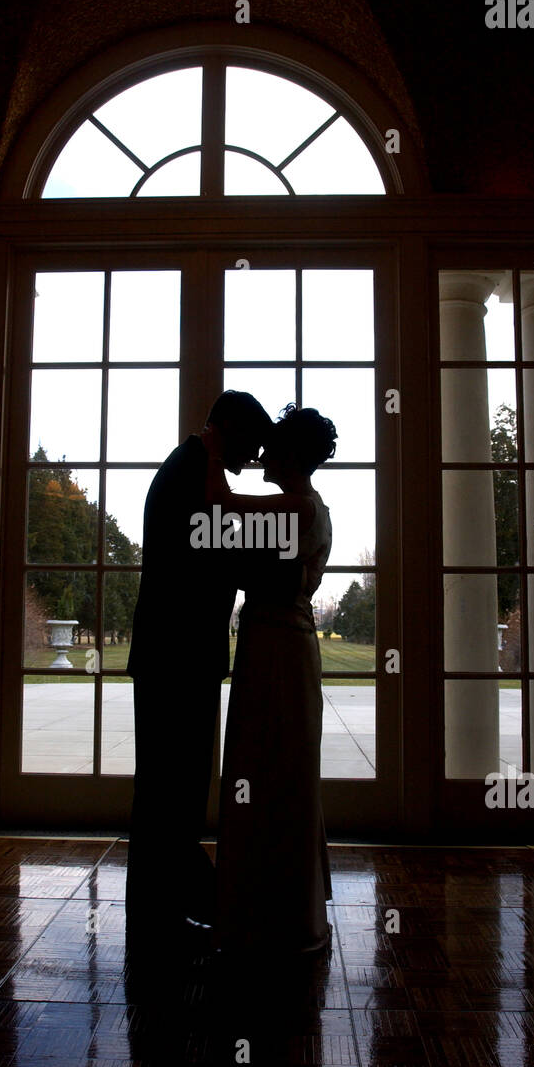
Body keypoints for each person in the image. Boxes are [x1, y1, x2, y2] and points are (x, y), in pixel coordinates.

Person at [125, 390, 272, 950]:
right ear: (228, 429)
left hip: (174, 651)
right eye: (250, 443)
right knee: (174, 785)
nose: (254, 455)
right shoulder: (191, 474)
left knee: (168, 785)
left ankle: (161, 903)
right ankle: (174, 903)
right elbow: (214, 554)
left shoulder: (187, 468)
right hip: (178, 653)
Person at [202, 404, 337, 955]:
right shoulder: (304, 506)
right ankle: (276, 912)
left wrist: (211, 450)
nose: (261, 455)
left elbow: (218, 507)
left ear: (290, 456)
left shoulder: (297, 506)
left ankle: (265, 916)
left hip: (277, 649)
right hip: (275, 645)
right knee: (276, 769)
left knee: (270, 768)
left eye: (271, 446)